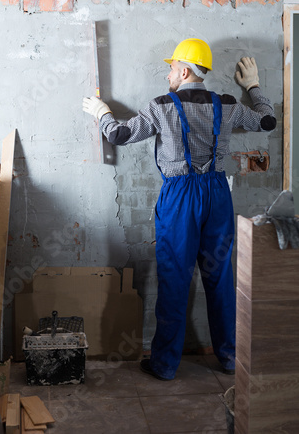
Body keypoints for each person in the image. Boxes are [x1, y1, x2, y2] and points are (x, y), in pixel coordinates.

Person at [82, 38, 277, 380]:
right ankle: (230, 358)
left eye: (171, 67)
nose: (168, 72)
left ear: (184, 70)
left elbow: (119, 135)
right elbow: (267, 122)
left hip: (179, 198)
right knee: (220, 278)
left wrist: (102, 113)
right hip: (217, 195)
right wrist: (255, 87)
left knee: (174, 277)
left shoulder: (160, 106)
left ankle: (166, 364)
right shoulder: (228, 104)